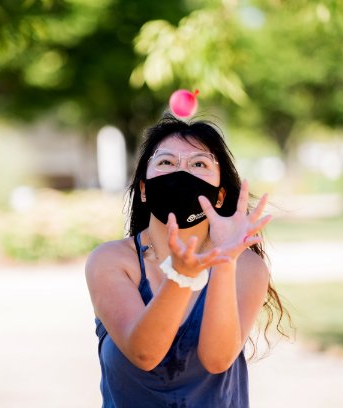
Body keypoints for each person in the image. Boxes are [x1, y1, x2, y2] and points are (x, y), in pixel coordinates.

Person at [85, 114, 289, 408]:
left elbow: (217, 360)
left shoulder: (245, 266)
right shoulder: (110, 261)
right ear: (143, 189)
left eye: (199, 164)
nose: (182, 173)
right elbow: (144, 353)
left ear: (220, 197)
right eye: (166, 162)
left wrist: (224, 261)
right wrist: (181, 277)